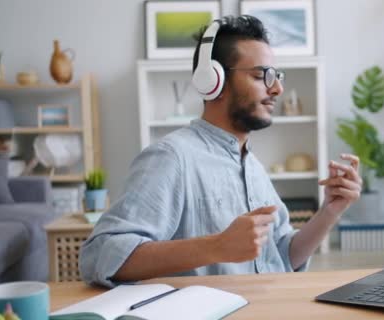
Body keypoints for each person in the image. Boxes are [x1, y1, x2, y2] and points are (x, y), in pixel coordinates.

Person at [79, 15, 362, 288]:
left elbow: (281, 255)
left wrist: (329, 211)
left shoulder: (253, 166)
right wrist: (217, 247)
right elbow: (98, 256)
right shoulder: (171, 157)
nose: (277, 88)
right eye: (262, 75)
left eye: (276, 76)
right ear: (213, 80)